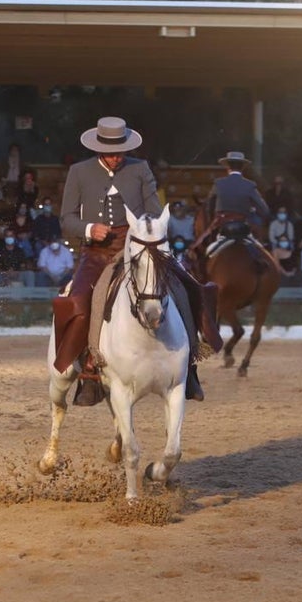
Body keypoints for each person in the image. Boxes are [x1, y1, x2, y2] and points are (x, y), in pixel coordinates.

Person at [54, 116, 220, 405]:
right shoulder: (79, 172)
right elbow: (66, 219)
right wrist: (89, 229)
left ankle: (189, 367)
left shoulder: (140, 168)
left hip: (140, 247)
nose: (117, 157)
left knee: (188, 286)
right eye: (111, 152)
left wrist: (147, 232)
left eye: (121, 151)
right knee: (79, 300)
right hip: (97, 252)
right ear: (98, 150)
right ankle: (85, 371)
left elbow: (155, 210)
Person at [201, 151, 269, 247]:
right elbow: (264, 210)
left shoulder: (218, 184)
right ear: (242, 167)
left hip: (223, 228)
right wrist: (253, 211)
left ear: (228, 167)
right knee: (261, 253)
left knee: (209, 253)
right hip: (243, 228)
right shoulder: (250, 185)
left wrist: (213, 218)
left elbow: (210, 206)